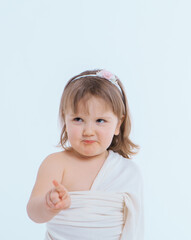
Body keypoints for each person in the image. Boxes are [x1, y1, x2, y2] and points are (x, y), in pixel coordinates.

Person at [27, 69, 143, 240]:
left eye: (100, 121)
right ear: (64, 120)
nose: (88, 131)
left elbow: (134, 226)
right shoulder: (56, 164)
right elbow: (33, 212)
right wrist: (47, 205)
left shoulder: (127, 171)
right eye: (78, 119)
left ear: (118, 124)